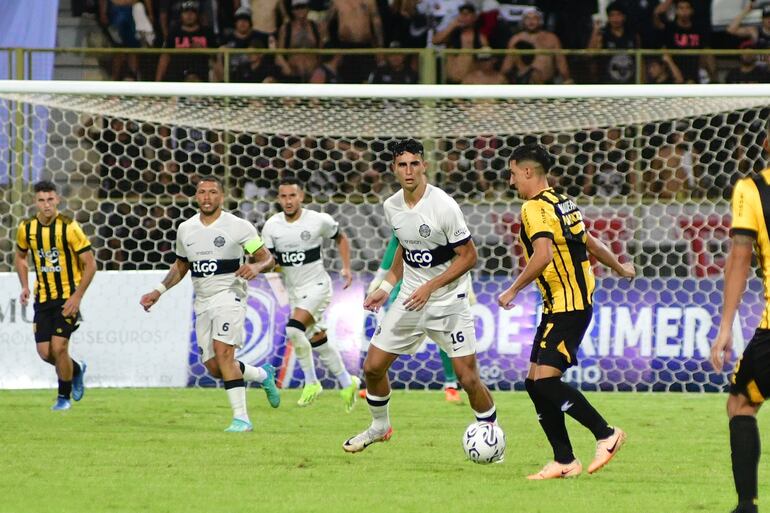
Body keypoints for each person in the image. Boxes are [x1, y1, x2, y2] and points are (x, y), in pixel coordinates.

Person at [343, 138, 498, 453]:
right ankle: (379, 427)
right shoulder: (392, 206)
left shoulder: (443, 206)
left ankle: (491, 438)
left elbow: (468, 256)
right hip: (410, 300)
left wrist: (432, 286)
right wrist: (386, 287)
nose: (409, 170)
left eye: (415, 163)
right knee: (373, 367)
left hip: (448, 302)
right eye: (403, 165)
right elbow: (405, 244)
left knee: (468, 379)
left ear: (424, 166)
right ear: (394, 169)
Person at [497, 143, 634, 479]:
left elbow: (542, 254)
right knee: (534, 382)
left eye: (513, 174)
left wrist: (513, 289)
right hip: (564, 305)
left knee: (546, 382)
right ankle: (563, 460)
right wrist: (619, 267)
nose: (511, 181)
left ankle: (606, 433)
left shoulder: (533, 208)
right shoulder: (563, 202)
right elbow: (589, 242)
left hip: (567, 306)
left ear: (527, 171)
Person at [139, 176, 279, 432]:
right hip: (202, 301)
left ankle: (242, 419)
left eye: (212, 192)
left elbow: (266, 258)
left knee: (224, 352)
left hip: (230, 294)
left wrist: (256, 266)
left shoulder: (237, 227)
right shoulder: (186, 229)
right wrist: (158, 291)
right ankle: (261, 375)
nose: (207, 197)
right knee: (216, 368)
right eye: (202, 192)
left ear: (221, 197)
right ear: (196, 196)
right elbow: (182, 265)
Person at [710, 119, 770, 513]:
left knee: (741, 405)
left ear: (766, 143)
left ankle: (747, 505)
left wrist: (726, 326)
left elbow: (740, 255)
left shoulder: (752, 190)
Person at [261, 177, 360, 410]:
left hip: (317, 287)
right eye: (283, 196)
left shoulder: (318, 220)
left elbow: (341, 238)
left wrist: (346, 267)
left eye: (292, 196)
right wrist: (259, 265)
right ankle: (347, 382)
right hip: (295, 291)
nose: (288, 201)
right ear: (278, 199)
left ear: (301, 197)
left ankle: (311, 382)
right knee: (318, 339)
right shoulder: (272, 226)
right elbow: (270, 261)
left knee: (294, 329)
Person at [14, 181, 96, 411]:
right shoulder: (26, 228)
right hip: (43, 298)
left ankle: (63, 398)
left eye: (50, 199)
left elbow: (90, 265)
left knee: (59, 347)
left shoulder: (70, 227)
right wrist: (25, 286)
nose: (46, 205)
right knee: (45, 352)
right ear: (35, 202)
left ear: (57, 199)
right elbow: (20, 257)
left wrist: (77, 297)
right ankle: (76, 368)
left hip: (67, 297)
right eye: (41, 200)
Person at [366, 233, 463, 403]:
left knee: (447, 337)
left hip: (442, 286)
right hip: (408, 284)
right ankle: (377, 386)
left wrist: (464, 285)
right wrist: (380, 278)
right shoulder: (402, 216)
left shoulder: (444, 216)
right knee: (387, 336)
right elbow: (396, 243)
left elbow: (464, 251)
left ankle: (451, 384)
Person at [501, 7, 572, 84]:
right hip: (524, 83)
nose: (531, 21)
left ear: (540, 21)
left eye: (535, 18)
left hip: (547, 84)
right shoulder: (516, 39)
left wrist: (567, 79)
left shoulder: (551, 38)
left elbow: (561, 62)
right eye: (528, 18)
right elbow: (507, 65)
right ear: (523, 21)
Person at [653, 0, 714, 84]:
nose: (684, 11)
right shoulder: (670, 28)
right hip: (675, 72)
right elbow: (657, 16)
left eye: (687, 8)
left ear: (691, 11)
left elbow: (704, 51)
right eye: (681, 8)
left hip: (694, 72)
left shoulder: (698, 29)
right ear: (676, 11)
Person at [155, 1, 217, 82]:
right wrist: (157, 81)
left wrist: (203, 49)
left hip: (201, 73)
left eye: (192, 12)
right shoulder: (174, 32)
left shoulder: (206, 32)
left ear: (197, 15)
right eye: (186, 12)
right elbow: (165, 57)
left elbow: (216, 56)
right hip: (177, 74)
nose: (189, 15)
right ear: (181, 15)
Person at [432, 3, 489, 84]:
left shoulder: (480, 38)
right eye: (461, 14)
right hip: (449, 80)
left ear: (474, 17)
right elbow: (435, 41)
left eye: (467, 14)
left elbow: (485, 62)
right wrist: (452, 25)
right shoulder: (452, 34)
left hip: (468, 82)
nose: (463, 17)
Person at [587, 1, 639, 84]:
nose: (615, 18)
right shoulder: (603, 35)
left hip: (629, 84)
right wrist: (595, 31)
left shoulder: (632, 35)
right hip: (607, 83)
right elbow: (590, 54)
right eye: (612, 15)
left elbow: (640, 59)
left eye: (618, 15)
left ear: (624, 17)